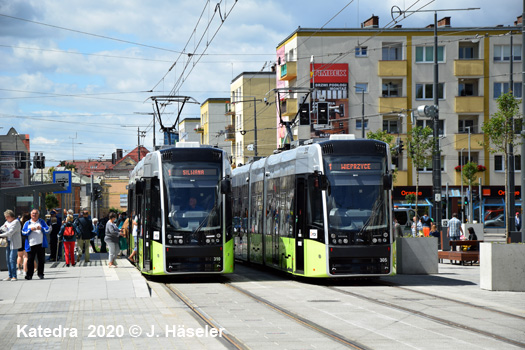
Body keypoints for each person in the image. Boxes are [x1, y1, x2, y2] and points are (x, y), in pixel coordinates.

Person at [21, 209, 50, 280]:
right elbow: (23, 232)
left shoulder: (42, 221)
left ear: (38, 215)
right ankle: (29, 275)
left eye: (36, 213)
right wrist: (30, 230)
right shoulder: (27, 223)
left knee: (41, 260)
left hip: (41, 244)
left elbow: (48, 230)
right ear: (31, 215)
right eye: (33, 213)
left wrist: (41, 228)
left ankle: (40, 274)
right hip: (31, 245)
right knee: (30, 260)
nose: (34, 215)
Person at [0, 210, 22, 281]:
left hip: (14, 243)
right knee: (7, 260)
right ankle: (10, 275)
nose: (6, 218)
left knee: (12, 259)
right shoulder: (7, 222)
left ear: (10, 216)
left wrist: (1, 233)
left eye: (6, 217)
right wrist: (5, 227)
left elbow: (10, 233)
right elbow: (2, 228)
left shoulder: (16, 222)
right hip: (8, 242)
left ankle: (14, 276)